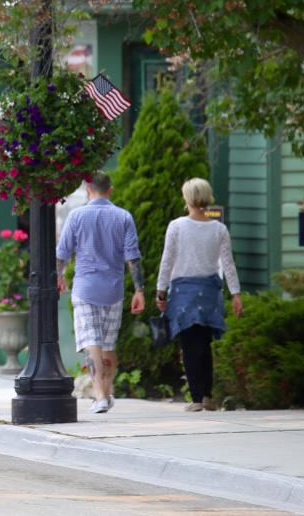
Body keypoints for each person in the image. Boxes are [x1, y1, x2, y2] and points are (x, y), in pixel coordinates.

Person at [56, 171, 144, 414]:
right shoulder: (124, 217)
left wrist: (59, 276)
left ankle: (100, 396)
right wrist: (139, 290)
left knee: (91, 342)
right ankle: (107, 393)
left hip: (85, 288)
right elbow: (133, 258)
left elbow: (62, 253)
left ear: (87, 190)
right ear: (110, 190)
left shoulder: (76, 216)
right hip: (113, 289)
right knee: (107, 343)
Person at [154, 177, 244, 412]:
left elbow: (167, 260)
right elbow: (228, 264)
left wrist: (161, 291)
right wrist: (235, 293)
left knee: (189, 344)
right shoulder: (219, 229)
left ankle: (196, 397)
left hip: (183, 293)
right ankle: (206, 395)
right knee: (204, 343)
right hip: (208, 293)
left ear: (187, 199)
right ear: (207, 198)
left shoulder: (176, 227)